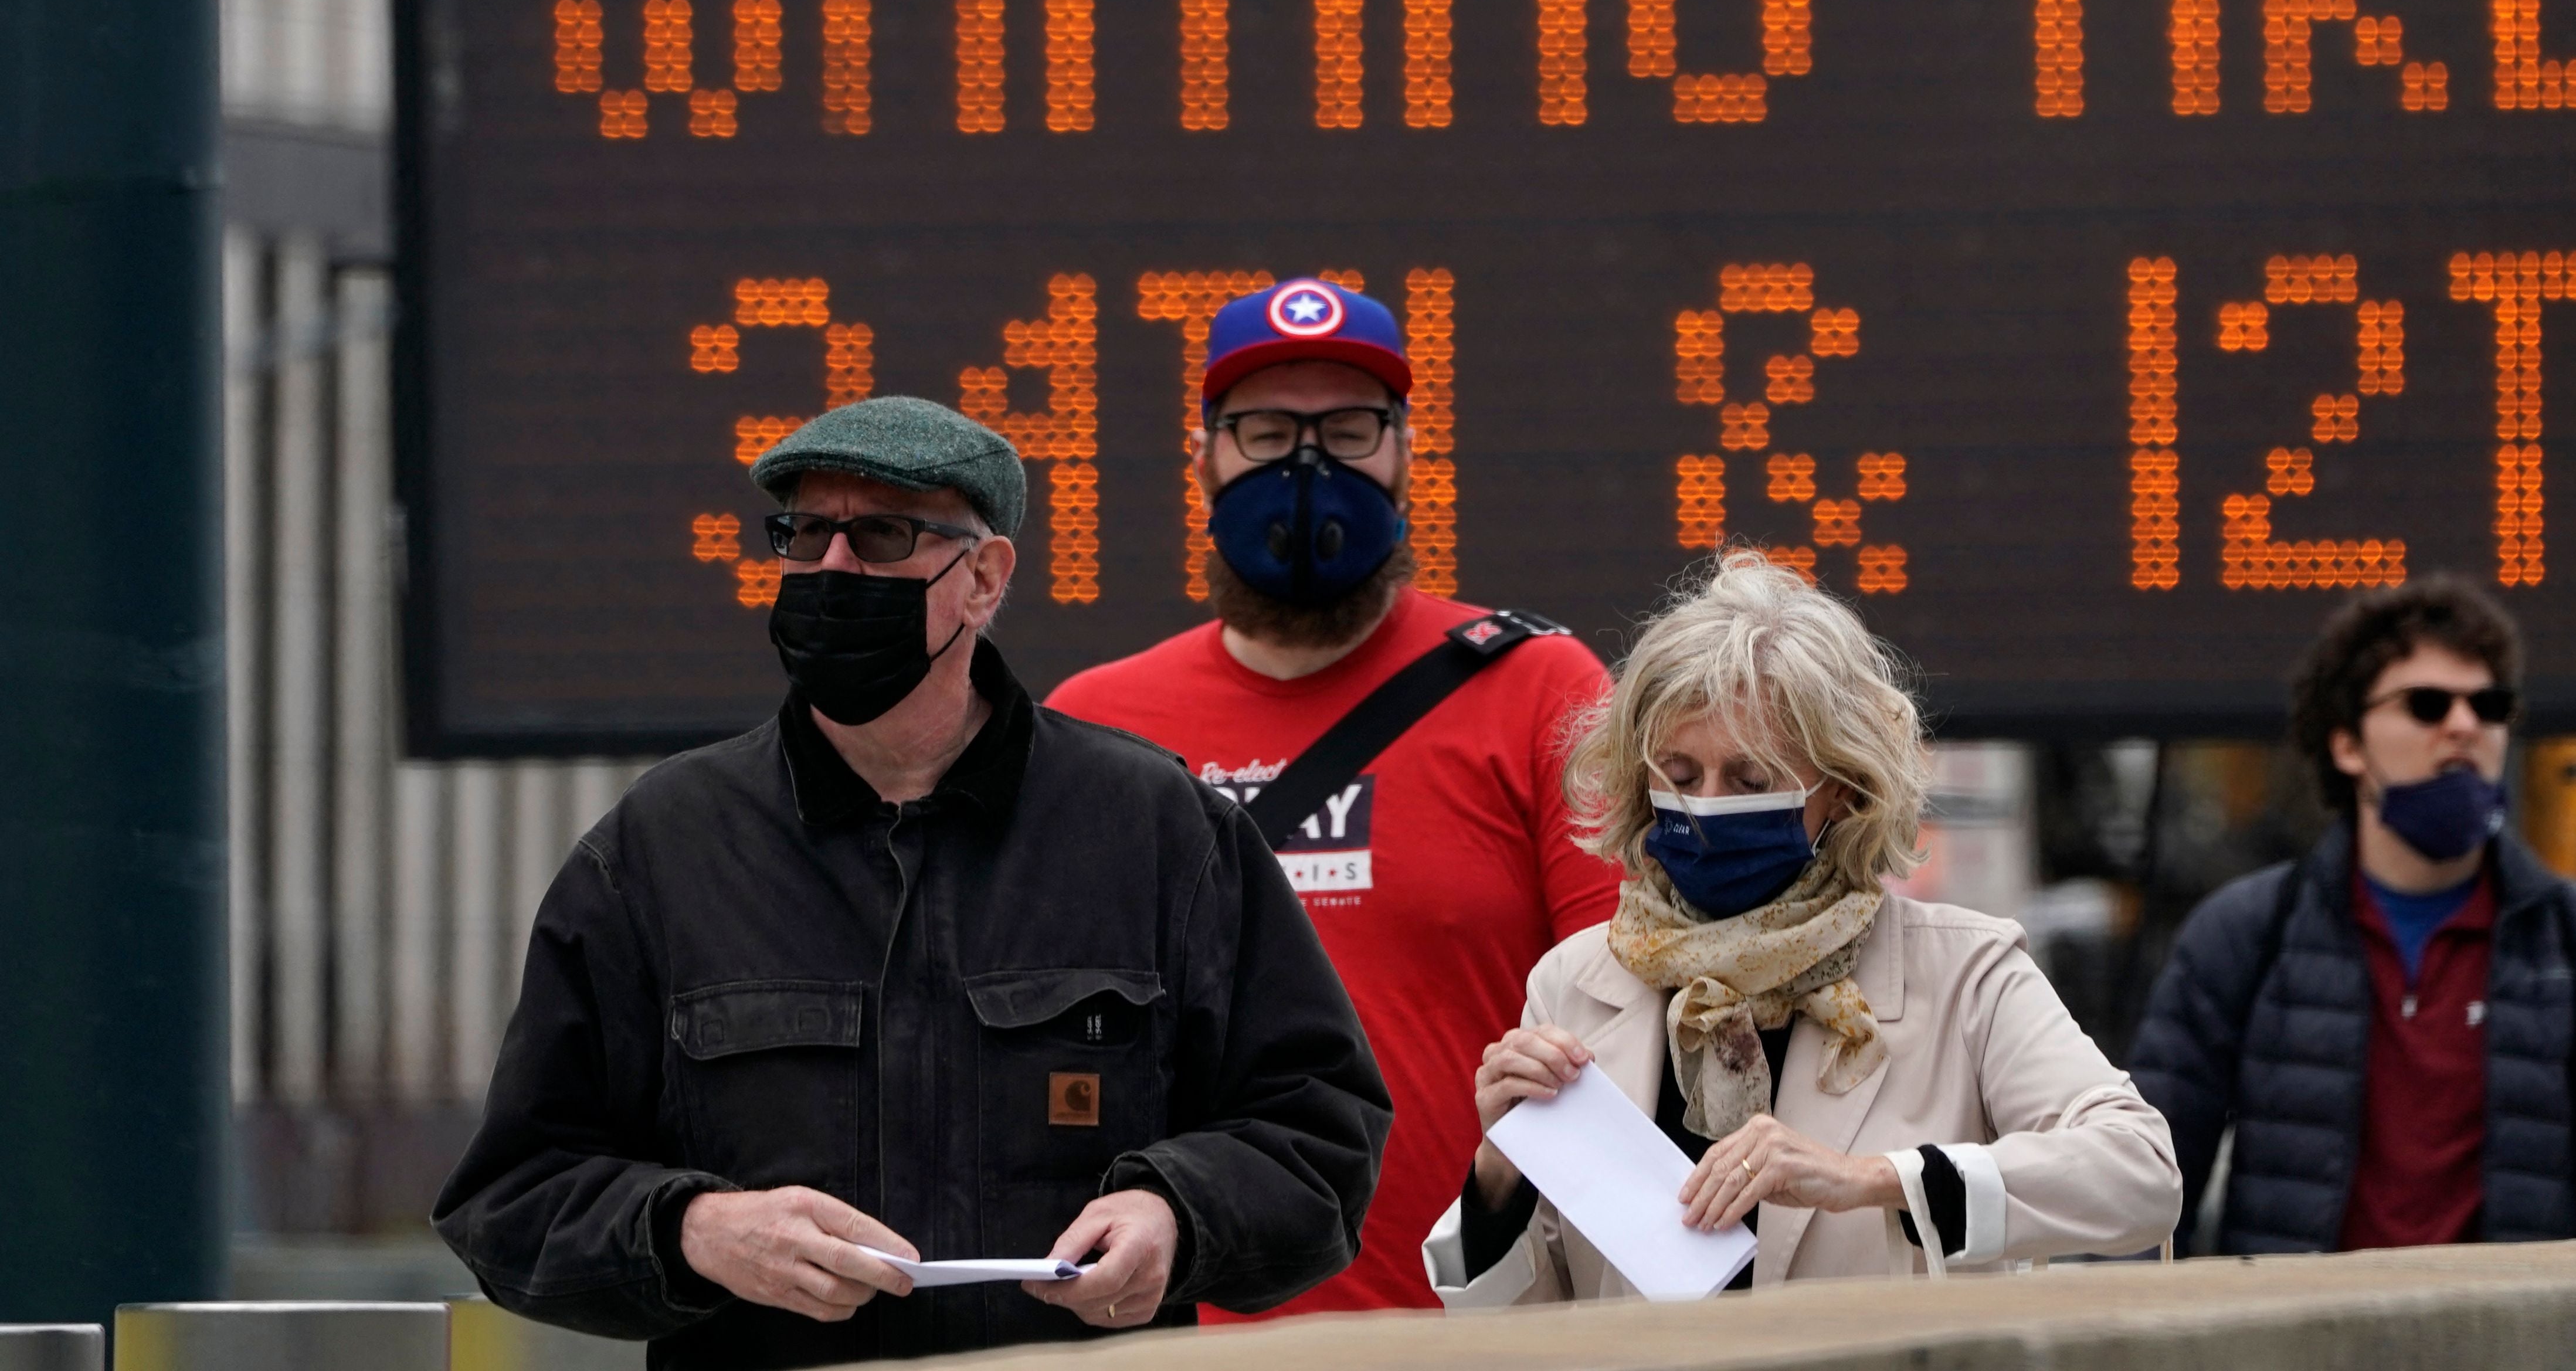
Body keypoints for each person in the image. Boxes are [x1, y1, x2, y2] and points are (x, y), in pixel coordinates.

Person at [434, 396, 1392, 1367]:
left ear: (983, 577)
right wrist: (694, 1230)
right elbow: (510, 1200)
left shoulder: (1155, 830)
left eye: (882, 536)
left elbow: (1320, 1135)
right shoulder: (662, 848)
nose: (834, 568)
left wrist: (1178, 1211)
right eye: (806, 533)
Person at [1048, 277, 1621, 1316]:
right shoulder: (1093, 723)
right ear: (1205, 457)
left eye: (1348, 429)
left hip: (1484, 1325)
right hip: (1176, 1334)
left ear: (1403, 452)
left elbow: (1628, 1007)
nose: (1307, 466)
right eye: (1266, 431)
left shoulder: (1542, 689)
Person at [1434, 552, 2181, 1300]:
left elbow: (2141, 1171)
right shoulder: (1575, 984)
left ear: (1846, 790)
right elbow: (1537, 1324)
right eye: (1680, 776)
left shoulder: (1965, 973)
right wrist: (1500, 1177)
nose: (1706, 805)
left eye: (1751, 779)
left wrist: (1875, 1179)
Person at [2129, 574, 2576, 1254]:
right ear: (2348, 744)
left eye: (2489, 705)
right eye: (2427, 705)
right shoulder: (2246, 936)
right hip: (2300, 1321)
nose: (2464, 726)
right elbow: (2142, 1196)